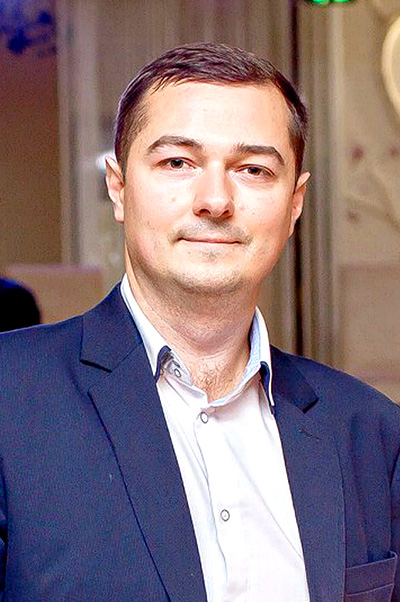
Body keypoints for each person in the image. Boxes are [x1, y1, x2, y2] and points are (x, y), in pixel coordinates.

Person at [0, 42, 398, 602]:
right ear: (118, 187)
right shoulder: (10, 396)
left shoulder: (373, 433)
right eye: (177, 163)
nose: (215, 200)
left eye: (253, 169)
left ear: (295, 203)